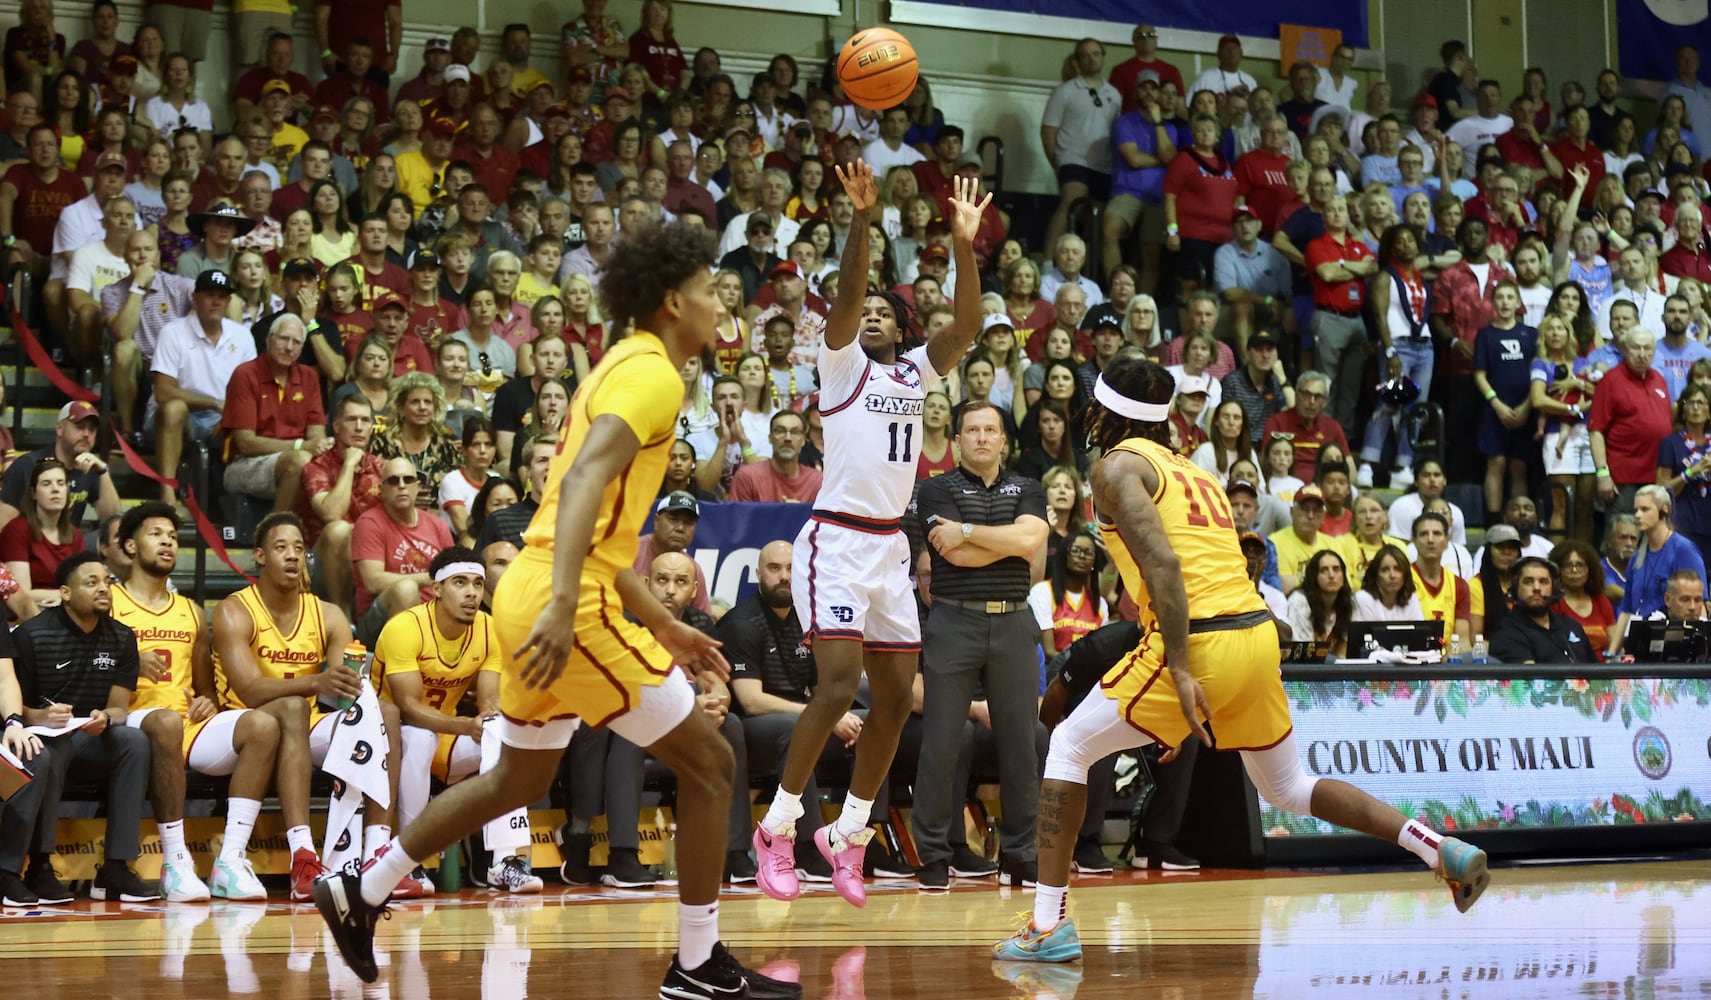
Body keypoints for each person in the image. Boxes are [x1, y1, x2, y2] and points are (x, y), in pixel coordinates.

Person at [314, 219, 798, 1000]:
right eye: (710, 291)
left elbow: (597, 531)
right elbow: (573, 490)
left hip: (539, 586)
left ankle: (361, 890)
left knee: (514, 780)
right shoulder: (656, 377)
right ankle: (699, 964)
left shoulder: (618, 363)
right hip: (565, 602)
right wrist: (569, 603)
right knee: (712, 764)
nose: (721, 304)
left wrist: (662, 620)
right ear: (673, 301)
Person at [993, 353, 1489, 964]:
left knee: (1068, 745)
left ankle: (1048, 927)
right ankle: (1435, 847)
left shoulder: (1116, 467)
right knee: (1287, 786)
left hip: (1196, 637)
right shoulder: (1193, 473)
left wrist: (1178, 670)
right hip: (1254, 635)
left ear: (1104, 410)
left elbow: (1167, 568)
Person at [750, 168, 987, 909]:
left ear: (902, 326)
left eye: (888, 310)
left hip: (889, 546)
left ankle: (848, 835)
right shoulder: (840, 364)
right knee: (832, 686)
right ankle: (779, 827)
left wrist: (960, 244)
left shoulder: (915, 373)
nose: (874, 315)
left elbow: (969, 327)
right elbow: (848, 297)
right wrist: (862, 219)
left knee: (892, 700)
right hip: (836, 542)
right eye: (867, 311)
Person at [910, 401, 1049, 889]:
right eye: (973, 430)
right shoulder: (935, 488)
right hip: (953, 621)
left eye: (991, 429)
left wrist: (969, 531)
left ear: (1004, 440)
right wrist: (1006, 540)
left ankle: (1020, 854)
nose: (983, 437)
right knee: (941, 742)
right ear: (957, 439)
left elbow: (1032, 544)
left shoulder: (1028, 486)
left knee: (1021, 745)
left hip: (1013, 623)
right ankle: (930, 853)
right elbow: (952, 554)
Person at [113, 502, 276, 902]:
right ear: (130, 547)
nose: (168, 541)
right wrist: (129, 665)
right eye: (156, 534)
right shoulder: (110, 604)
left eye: (172, 536)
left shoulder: (190, 611)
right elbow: (90, 674)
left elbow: (205, 688)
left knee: (262, 725)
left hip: (184, 726)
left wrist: (208, 703)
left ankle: (231, 860)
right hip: (132, 722)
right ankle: (174, 861)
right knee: (165, 721)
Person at [376, 546, 540, 896]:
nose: (471, 593)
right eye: (460, 583)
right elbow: (407, 707)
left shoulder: (489, 628)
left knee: (502, 733)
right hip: (386, 744)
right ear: (436, 589)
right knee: (419, 737)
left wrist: (490, 719)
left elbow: (489, 701)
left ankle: (505, 862)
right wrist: (466, 726)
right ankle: (409, 862)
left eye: (478, 584)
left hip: (444, 736)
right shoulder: (404, 628)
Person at [2, 553, 157, 905]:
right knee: (51, 749)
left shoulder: (121, 638)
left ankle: (116, 867)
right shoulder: (32, 635)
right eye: (91, 583)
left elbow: (119, 706)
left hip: (89, 738)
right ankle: (38, 867)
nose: (103, 588)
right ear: (65, 593)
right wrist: (40, 717)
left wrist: (106, 717)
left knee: (133, 740)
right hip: (39, 736)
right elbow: (12, 707)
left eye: (107, 582)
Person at [149, 269, 256, 505]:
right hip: (176, 417)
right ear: (195, 298)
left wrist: (229, 416)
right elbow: (163, 392)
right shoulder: (173, 332)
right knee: (174, 408)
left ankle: (237, 508)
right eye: (209, 295)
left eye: (222, 296)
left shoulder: (242, 336)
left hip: (221, 417)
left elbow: (251, 391)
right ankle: (167, 492)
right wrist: (215, 403)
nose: (216, 301)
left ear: (229, 301)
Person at [222, 314, 330, 512]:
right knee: (300, 461)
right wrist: (300, 446)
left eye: (296, 342)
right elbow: (246, 443)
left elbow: (317, 436)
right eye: (283, 338)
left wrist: (318, 446)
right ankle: (276, 528)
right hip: (245, 464)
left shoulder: (309, 376)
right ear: (268, 340)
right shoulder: (245, 374)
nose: (289, 347)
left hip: (294, 459)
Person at [352, 457, 455, 642]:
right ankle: (403, 662)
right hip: (379, 621)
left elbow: (453, 576)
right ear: (382, 490)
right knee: (406, 589)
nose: (401, 486)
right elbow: (372, 581)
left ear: (417, 487)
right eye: (393, 481)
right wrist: (426, 578)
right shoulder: (370, 523)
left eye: (407, 480)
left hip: (433, 616)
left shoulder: (438, 525)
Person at [1040, 38, 1119, 255]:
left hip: (1104, 165)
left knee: (1097, 219)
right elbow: (1048, 130)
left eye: (1095, 54)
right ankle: (1047, 263)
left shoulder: (1115, 95)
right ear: (1077, 60)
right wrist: (1058, 163)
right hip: (1073, 159)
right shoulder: (1065, 91)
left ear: (1103, 57)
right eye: (1085, 55)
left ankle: (1088, 273)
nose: (1091, 59)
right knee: (1070, 205)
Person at [1609, 485, 1707, 656]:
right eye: (1636, 510)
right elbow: (1627, 611)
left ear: (1664, 510)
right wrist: (1611, 655)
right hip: (1641, 644)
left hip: (1675, 646)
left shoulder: (1683, 550)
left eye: (1645, 509)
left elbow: (1701, 606)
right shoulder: (1636, 558)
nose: (1637, 515)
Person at [0, 401, 119, 533]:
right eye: (80, 427)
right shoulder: (27, 466)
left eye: (92, 429)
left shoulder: (90, 468)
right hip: (31, 545)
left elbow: (111, 520)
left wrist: (103, 471)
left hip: (68, 545)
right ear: (59, 429)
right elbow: (4, 526)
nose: (86, 434)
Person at [1591, 329, 1674, 515]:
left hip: (1657, 476)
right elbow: (1596, 430)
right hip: (1624, 478)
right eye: (1636, 348)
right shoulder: (1610, 381)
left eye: (1648, 348)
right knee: (1623, 535)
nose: (1642, 354)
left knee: (1655, 537)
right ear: (1625, 350)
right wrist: (1602, 474)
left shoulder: (1659, 379)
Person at [1490, 557, 1597, 664]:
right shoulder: (1506, 633)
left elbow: (1598, 674)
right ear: (1516, 588)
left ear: (1554, 588)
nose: (1536, 588)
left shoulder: (1571, 626)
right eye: (1528, 582)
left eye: (1544, 582)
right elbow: (1529, 678)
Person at [728, 410, 822, 503]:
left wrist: (797, 512)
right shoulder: (747, 477)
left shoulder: (817, 481)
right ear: (770, 438)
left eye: (794, 432)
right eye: (780, 431)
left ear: (803, 440)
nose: (787, 438)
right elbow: (738, 517)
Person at [1411, 511, 1473, 648]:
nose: (1430, 540)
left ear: (1446, 541)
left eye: (1437, 533)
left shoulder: (1459, 585)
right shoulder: (1403, 580)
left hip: (1449, 663)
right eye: (1423, 534)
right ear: (1414, 540)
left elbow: (1463, 641)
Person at [1550, 539, 1617, 653]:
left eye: (1580, 565)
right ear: (1557, 570)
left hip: (1604, 668)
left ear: (1590, 570)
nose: (1574, 570)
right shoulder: (1554, 604)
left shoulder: (1600, 600)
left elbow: (1614, 643)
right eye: (1567, 565)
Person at [1284, 548, 1352, 656]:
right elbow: (1303, 652)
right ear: (1314, 577)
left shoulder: (1347, 602)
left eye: (1336, 569)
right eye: (1324, 570)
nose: (1331, 575)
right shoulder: (1299, 601)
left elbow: (1346, 649)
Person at [1352, 543, 1424, 623]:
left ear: (1405, 574)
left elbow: (1419, 633)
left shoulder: (1411, 599)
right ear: (1376, 575)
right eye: (1385, 570)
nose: (1392, 575)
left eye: (1397, 569)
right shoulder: (1362, 599)